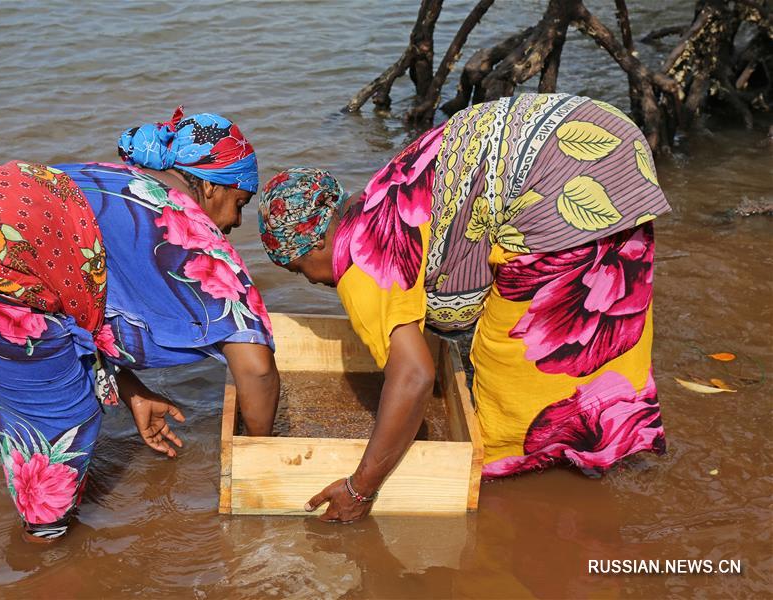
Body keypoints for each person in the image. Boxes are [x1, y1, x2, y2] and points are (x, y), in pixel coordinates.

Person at [258, 93, 668, 523]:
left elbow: (415, 376)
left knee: (515, 360)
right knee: (601, 310)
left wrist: (360, 488)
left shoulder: (360, 256)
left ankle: (532, 488)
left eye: (301, 268)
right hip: (603, 138)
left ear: (319, 241)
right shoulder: (381, 196)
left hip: (560, 176)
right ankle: (600, 448)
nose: (315, 281)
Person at [0, 107, 280, 541]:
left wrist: (129, 390)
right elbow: (255, 365)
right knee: (65, 414)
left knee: (38, 380)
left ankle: (39, 518)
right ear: (212, 186)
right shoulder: (188, 228)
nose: (234, 223)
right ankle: (46, 544)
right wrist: (262, 451)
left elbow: (71, 305)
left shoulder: (112, 178)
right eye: (239, 204)